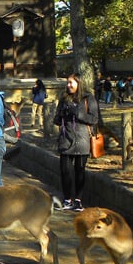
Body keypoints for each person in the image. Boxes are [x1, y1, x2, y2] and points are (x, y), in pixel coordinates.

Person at [55, 73, 99, 212]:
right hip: (66, 139)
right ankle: (67, 199)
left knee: (79, 171)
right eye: (67, 83)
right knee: (65, 171)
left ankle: (78, 200)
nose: (68, 85)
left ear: (79, 83)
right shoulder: (64, 98)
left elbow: (94, 118)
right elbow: (56, 119)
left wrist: (77, 113)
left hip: (82, 139)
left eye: (71, 83)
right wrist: (61, 114)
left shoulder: (88, 98)